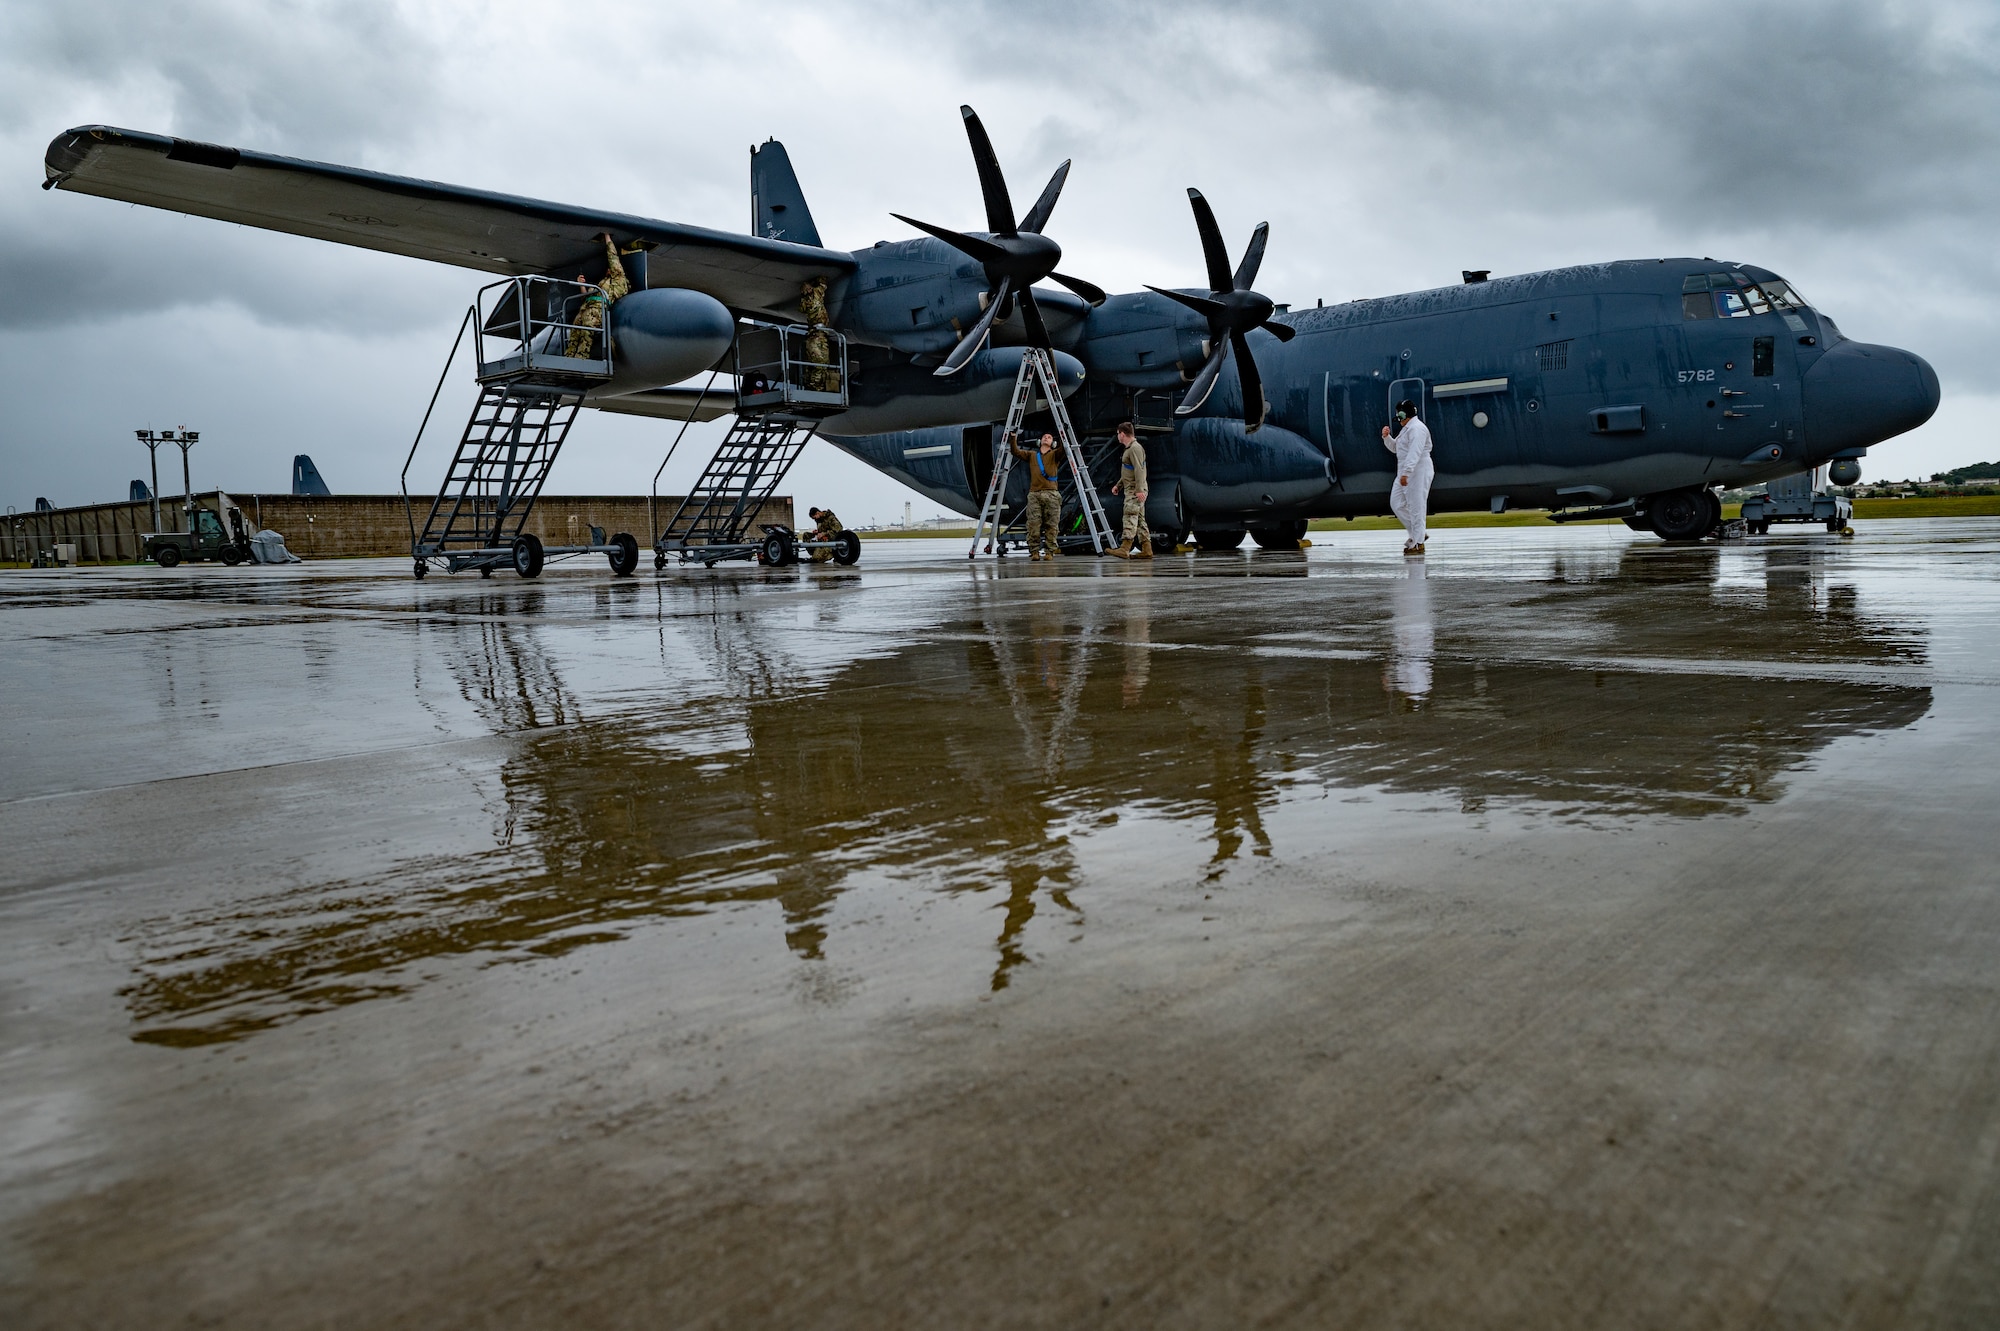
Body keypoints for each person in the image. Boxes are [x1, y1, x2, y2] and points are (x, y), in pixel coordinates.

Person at [564, 233, 631, 359]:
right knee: (574, 334)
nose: (608, 269)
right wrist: (581, 284)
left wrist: (607, 237)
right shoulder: (601, 283)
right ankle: (568, 358)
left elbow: (613, 257)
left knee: (586, 332)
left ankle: (580, 358)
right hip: (586, 308)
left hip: (597, 310)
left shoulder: (618, 279)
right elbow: (585, 297)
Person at [1381, 397, 1434, 555]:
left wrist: (1407, 472)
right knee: (1396, 503)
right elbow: (1397, 448)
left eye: (1399, 416)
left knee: (1416, 506)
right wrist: (1387, 438)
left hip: (1418, 469)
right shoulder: (1406, 429)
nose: (1398, 420)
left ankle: (1418, 543)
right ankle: (1419, 533)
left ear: (1404, 415)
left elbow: (1415, 453)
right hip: (1404, 470)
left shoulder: (1417, 428)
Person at [1009, 430, 1063, 560]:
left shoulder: (1055, 455)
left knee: (1052, 524)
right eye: (1044, 436)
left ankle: (1049, 552)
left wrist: (1063, 434)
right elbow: (1015, 452)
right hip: (1034, 494)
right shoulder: (1032, 455)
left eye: (1049, 437)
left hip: (1051, 493)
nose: (1046, 437)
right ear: (1039, 442)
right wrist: (1013, 438)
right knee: (1033, 524)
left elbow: (1064, 449)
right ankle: (1034, 551)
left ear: (1053, 443)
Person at [1108, 421, 1152, 559]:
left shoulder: (1134, 449)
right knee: (1139, 520)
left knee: (1130, 516)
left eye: (1118, 434)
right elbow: (1129, 472)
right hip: (1132, 487)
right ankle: (1147, 549)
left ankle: (1125, 548)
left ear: (1122, 434)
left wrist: (1139, 490)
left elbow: (1139, 470)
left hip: (1134, 490)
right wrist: (1118, 485)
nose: (1118, 437)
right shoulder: (1131, 448)